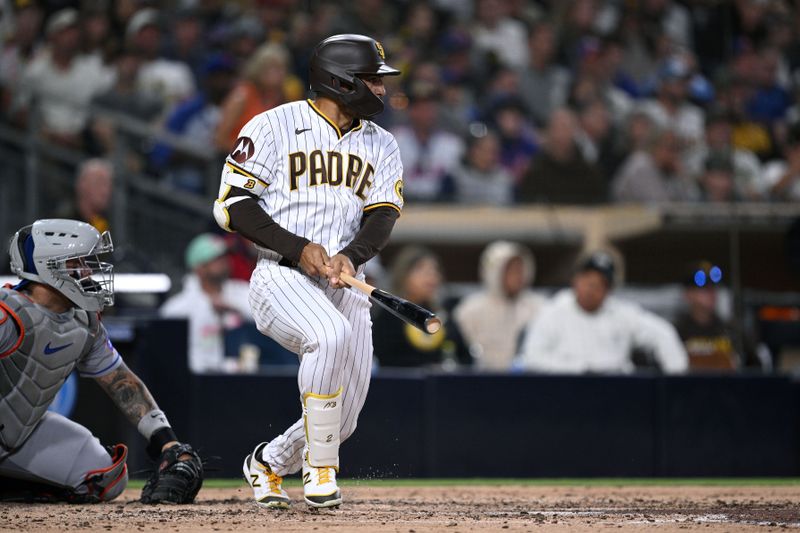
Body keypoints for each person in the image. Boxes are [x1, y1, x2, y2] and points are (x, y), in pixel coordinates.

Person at [212, 34, 403, 509]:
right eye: (372, 80)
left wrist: (353, 256)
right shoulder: (275, 125)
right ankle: (321, 469)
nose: (381, 89)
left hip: (346, 280)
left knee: (348, 415)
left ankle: (269, 462)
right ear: (340, 81)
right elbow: (231, 206)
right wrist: (297, 248)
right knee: (329, 333)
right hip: (281, 274)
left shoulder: (382, 143)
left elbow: (383, 213)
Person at [0, 219, 202, 504]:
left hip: (18, 434)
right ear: (48, 265)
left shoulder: (85, 323)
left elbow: (122, 383)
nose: (87, 270)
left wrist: (166, 441)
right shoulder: (7, 312)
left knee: (104, 478)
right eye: (76, 262)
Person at [517, 251, 688, 374]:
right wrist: (581, 369)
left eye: (600, 284)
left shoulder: (621, 313)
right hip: (566, 391)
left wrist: (676, 381)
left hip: (615, 392)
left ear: (609, 290)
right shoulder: (552, 311)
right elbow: (532, 359)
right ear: (576, 280)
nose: (592, 289)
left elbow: (663, 334)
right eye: (588, 281)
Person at [160, 233, 252, 373]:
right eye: (216, 259)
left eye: (225, 256)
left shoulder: (243, 291)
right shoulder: (177, 309)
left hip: (244, 381)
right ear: (199, 268)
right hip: (198, 383)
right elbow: (171, 356)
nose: (225, 261)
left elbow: (269, 319)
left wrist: (234, 309)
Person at [372, 246, 470, 369]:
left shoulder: (442, 315)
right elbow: (384, 358)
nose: (431, 276)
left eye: (435, 270)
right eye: (421, 269)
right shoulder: (389, 314)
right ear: (403, 275)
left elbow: (464, 358)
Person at [453, 241, 545, 371]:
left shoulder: (539, 307)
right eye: (510, 270)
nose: (517, 276)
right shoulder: (470, 310)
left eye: (520, 269)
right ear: (494, 272)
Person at [673, 261, 757, 371]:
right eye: (704, 289)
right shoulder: (675, 332)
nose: (711, 293)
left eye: (713, 288)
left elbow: (755, 368)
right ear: (688, 294)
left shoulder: (732, 331)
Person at [54, 158, 113, 233]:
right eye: (99, 183)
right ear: (82, 185)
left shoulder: (107, 224)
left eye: (108, 185)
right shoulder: (61, 223)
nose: (105, 191)